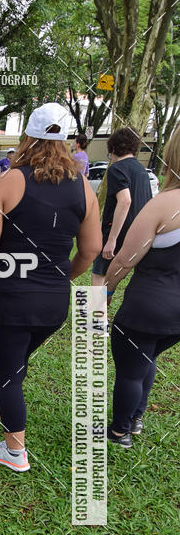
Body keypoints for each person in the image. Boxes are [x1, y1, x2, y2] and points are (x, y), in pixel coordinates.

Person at [0, 102, 102, 471]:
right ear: (69, 140)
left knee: (10, 372)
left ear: (28, 137)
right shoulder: (84, 189)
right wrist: (64, 277)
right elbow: (91, 249)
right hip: (54, 302)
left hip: (11, 298)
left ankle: (14, 451)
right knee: (17, 359)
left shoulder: (10, 181)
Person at [103, 123, 180, 447]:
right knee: (147, 358)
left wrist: (106, 289)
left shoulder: (164, 204)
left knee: (131, 368)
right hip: (175, 316)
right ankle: (135, 419)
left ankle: (119, 430)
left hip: (147, 304)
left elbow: (125, 258)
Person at [92, 126, 152, 289]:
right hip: (139, 232)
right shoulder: (142, 170)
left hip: (118, 231)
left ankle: (93, 314)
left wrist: (112, 240)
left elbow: (125, 201)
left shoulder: (116, 169)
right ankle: (102, 311)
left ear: (112, 148)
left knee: (98, 274)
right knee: (113, 277)